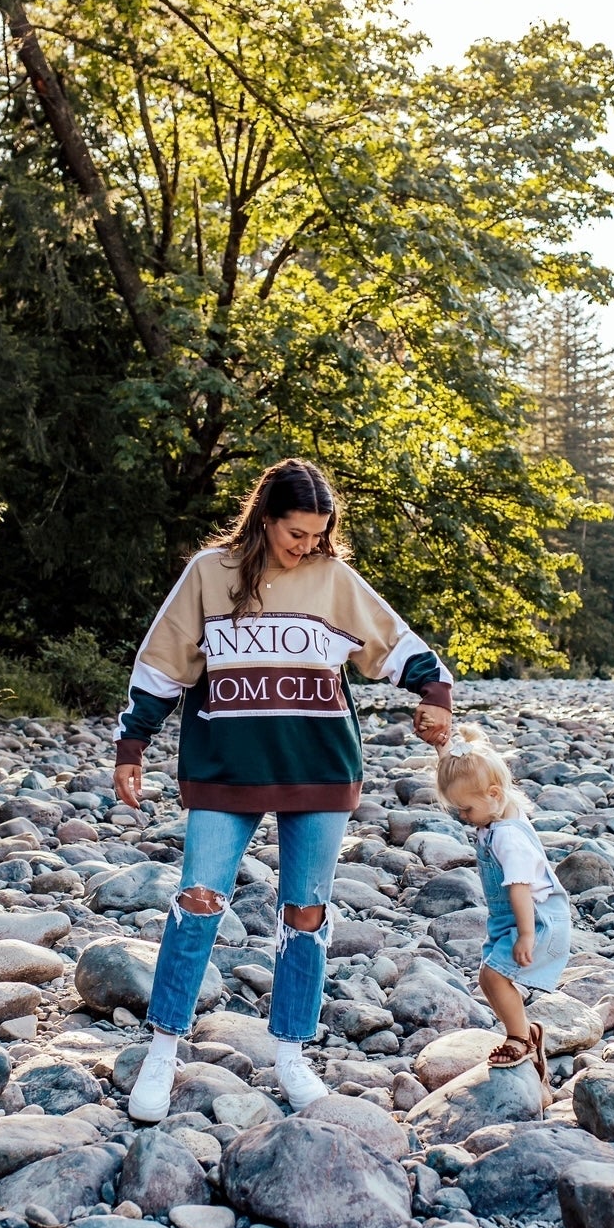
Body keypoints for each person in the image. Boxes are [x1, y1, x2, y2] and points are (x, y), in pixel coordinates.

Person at [112, 458, 453, 1122]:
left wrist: (434, 694)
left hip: (319, 766)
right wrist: (133, 744)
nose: (309, 546)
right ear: (266, 520)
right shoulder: (210, 574)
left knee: (306, 911)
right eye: (297, 533)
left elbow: (397, 645)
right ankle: (162, 1051)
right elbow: (162, 662)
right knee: (198, 897)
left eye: (320, 534)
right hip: (225, 764)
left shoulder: (333, 579)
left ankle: (290, 1053)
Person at [436, 724, 571, 1076]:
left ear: (493, 794)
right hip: (509, 916)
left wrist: (526, 935)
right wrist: (444, 750)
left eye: (465, 810)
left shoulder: (508, 837)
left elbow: (519, 887)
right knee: (487, 976)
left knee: (495, 978)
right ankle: (529, 1033)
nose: (464, 818)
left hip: (534, 917)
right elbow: (463, 777)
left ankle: (519, 1040)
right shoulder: (498, 808)